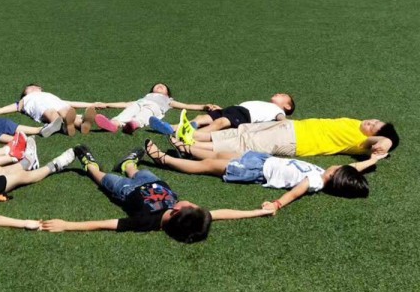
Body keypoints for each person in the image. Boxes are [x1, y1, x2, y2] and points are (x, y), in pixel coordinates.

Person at [40, 145, 272, 242]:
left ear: (176, 211)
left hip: (125, 191)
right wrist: (257, 212)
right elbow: (223, 213)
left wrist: (66, 225)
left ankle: (89, 164)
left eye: (190, 205)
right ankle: (128, 164)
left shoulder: (147, 221)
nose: (192, 203)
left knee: (103, 178)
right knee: (138, 171)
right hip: (154, 183)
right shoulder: (190, 217)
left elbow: (106, 224)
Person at [145, 139, 382, 211]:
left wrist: (277, 204)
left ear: (337, 176)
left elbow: (296, 192)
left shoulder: (317, 181)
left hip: (256, 171)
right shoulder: (324, 174)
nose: (338, 165)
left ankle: (164, 159)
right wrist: (372, 160)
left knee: (208, 165)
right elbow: (355, 168)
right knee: (221, 154)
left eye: (340, 168)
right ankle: (186, 149)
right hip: (262, 160)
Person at [175, 117, 399, 159]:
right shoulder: (355, 122)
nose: (371, 123)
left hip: (294, 141)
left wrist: (385, 142)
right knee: (243, 131)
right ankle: (196, 135)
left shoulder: (361, 143)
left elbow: (378, 143)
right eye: (374, 120)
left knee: (245, 143)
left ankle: (192, 146)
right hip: (291, 126)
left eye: (374, 128)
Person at [0, 84, 103, 137]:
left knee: (67, 110)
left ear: (40, 89)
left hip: (57, 103)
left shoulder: (48, 94)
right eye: (29, 89)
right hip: (41, 107)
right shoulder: (23, 101)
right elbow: (2, 109)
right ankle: (66, 126)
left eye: (33, 87)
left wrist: (91, 104)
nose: (31, 89)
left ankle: (80, 124)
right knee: (52, 112)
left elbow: (71, 103)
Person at [149, 93, 295, 138]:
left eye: (282, 95)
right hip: (235, 109)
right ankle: (171, 128)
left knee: (219, 123)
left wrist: (289, 123)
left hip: (245, 115)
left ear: (287, 106)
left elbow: (281, 119)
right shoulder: (266, 104)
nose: (278, 94)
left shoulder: (278, 111)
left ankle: (192, 136)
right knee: (201, 118)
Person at [93, 83, 206, 135]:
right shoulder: (144, 98)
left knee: (147, 112)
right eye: (157, 85)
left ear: (167, 94)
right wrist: (106, 104)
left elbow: (186, 106)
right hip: (140, 103)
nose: (160, 85)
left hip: (155, 107)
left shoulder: (168, 100)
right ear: (151, 91)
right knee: (130, 109)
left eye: (163, 86)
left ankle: (134, 124)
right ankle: (114, 123)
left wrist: (203, 106)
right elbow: (125, 104)